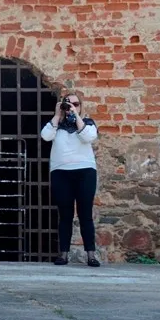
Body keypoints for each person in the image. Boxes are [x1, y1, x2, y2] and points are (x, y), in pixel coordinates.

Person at [40, 91, 100, 267]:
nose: (72, 107)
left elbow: (88, 137)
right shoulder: (56, 124)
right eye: (68, 104)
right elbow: (45, 136)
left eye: (76, 104)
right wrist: (57, 115)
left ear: (81, 106)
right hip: (61, 172)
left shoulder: (87, 123)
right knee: (65, 215)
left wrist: (76, 116)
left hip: (85, 172)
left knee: (85, 214)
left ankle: (91, 255)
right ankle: (64, 254)